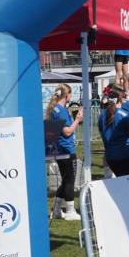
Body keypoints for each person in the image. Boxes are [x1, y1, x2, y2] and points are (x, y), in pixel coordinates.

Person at [45, 83, 83, 220]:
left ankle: (56, 210)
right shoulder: (60, 111)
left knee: (66, 179)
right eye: (70, 94)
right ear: (67, 95)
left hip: (61, 149)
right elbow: (67, 132)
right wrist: (77, 120)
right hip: (65, 149)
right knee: (70, 180)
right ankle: (70, 211)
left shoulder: (57, 109)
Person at [99, 86, 129, 177]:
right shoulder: (124, 115)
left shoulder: (102, 116)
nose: (125, 99)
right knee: (126, 182)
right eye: (124, 97)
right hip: (124, 155)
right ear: (120, 99)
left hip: (110, 156)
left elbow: (103, 135)